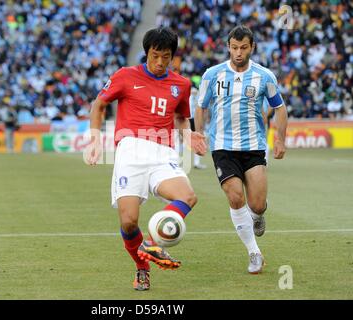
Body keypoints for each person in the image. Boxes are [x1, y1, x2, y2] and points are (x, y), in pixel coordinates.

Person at [86, 27, 207, 291]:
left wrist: (189, 136)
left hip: (163, 152)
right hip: (131, 150)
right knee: (128, 222)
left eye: (166, 57)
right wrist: (95, 138)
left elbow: (180, 118)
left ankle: (152, 242)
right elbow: (99, 104)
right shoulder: (125, 76)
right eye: (155, 55)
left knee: (188, 197)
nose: (160, 62)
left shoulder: (181, 85)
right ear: (146, 53)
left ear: (173, 56)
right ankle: (142, 268)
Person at [195, 25, 288, 274]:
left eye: (243, 47)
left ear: (252, 47)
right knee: (236, 197)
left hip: (253, 146)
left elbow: (279, 107)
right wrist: (198, 134)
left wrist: (280, 138)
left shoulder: (264, 76)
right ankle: (254, 252)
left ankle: (258, 215)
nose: (238, 52)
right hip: (222, 146)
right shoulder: (212, 75)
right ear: (228, 47)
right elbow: (201, 106)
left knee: (256, 204)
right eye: (234, 48)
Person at [189, 86, 207, 169]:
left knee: (196, 141)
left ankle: (196, 163)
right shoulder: (197, 98)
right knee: (193, 141)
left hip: (192, 119)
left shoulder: (197, 98)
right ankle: (193, 162)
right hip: (189, 119)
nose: (194, 92)